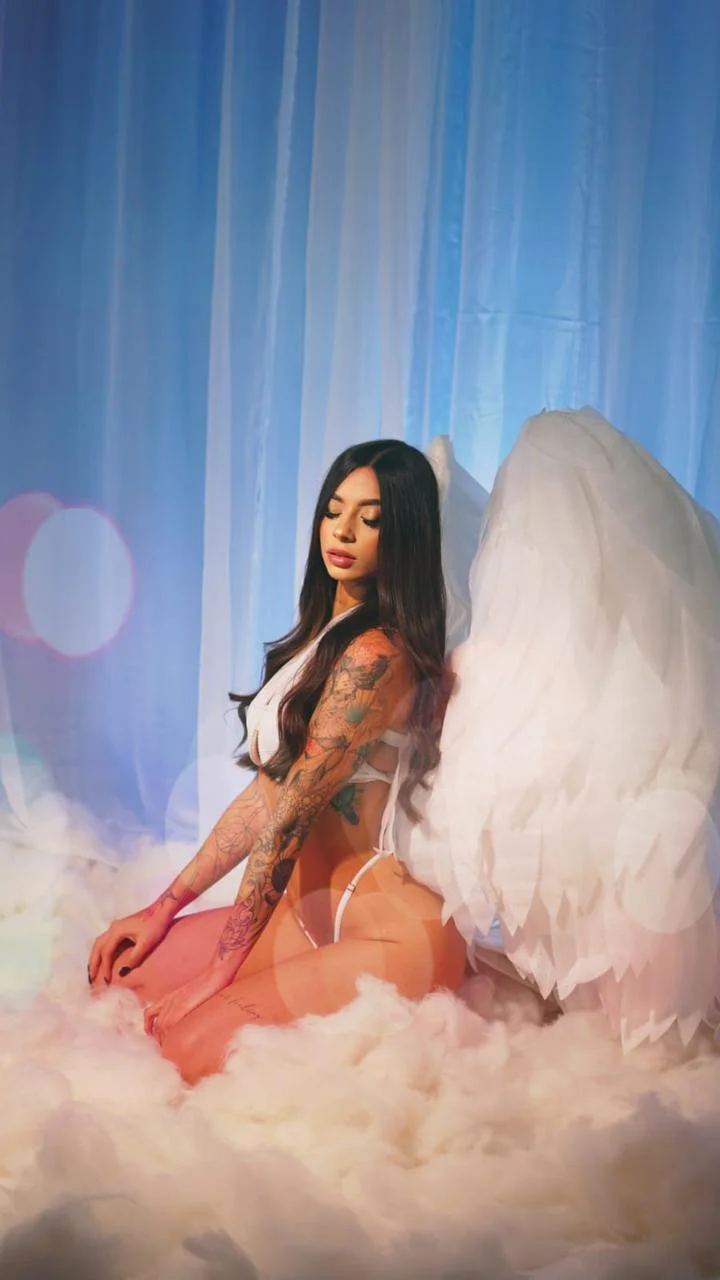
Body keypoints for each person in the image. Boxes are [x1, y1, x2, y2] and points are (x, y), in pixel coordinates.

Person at [88, 440, 468, 1084]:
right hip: (300, 913)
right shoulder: (324, 639)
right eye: (334, 510)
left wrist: (219, 972)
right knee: (120, 987)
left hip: (384, 932)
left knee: (183, 1055)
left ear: (403, 534)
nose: (343, 531)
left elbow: (290, 817)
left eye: (371, 519)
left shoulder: (376, 655)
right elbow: (266, 796)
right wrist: (161, 909)